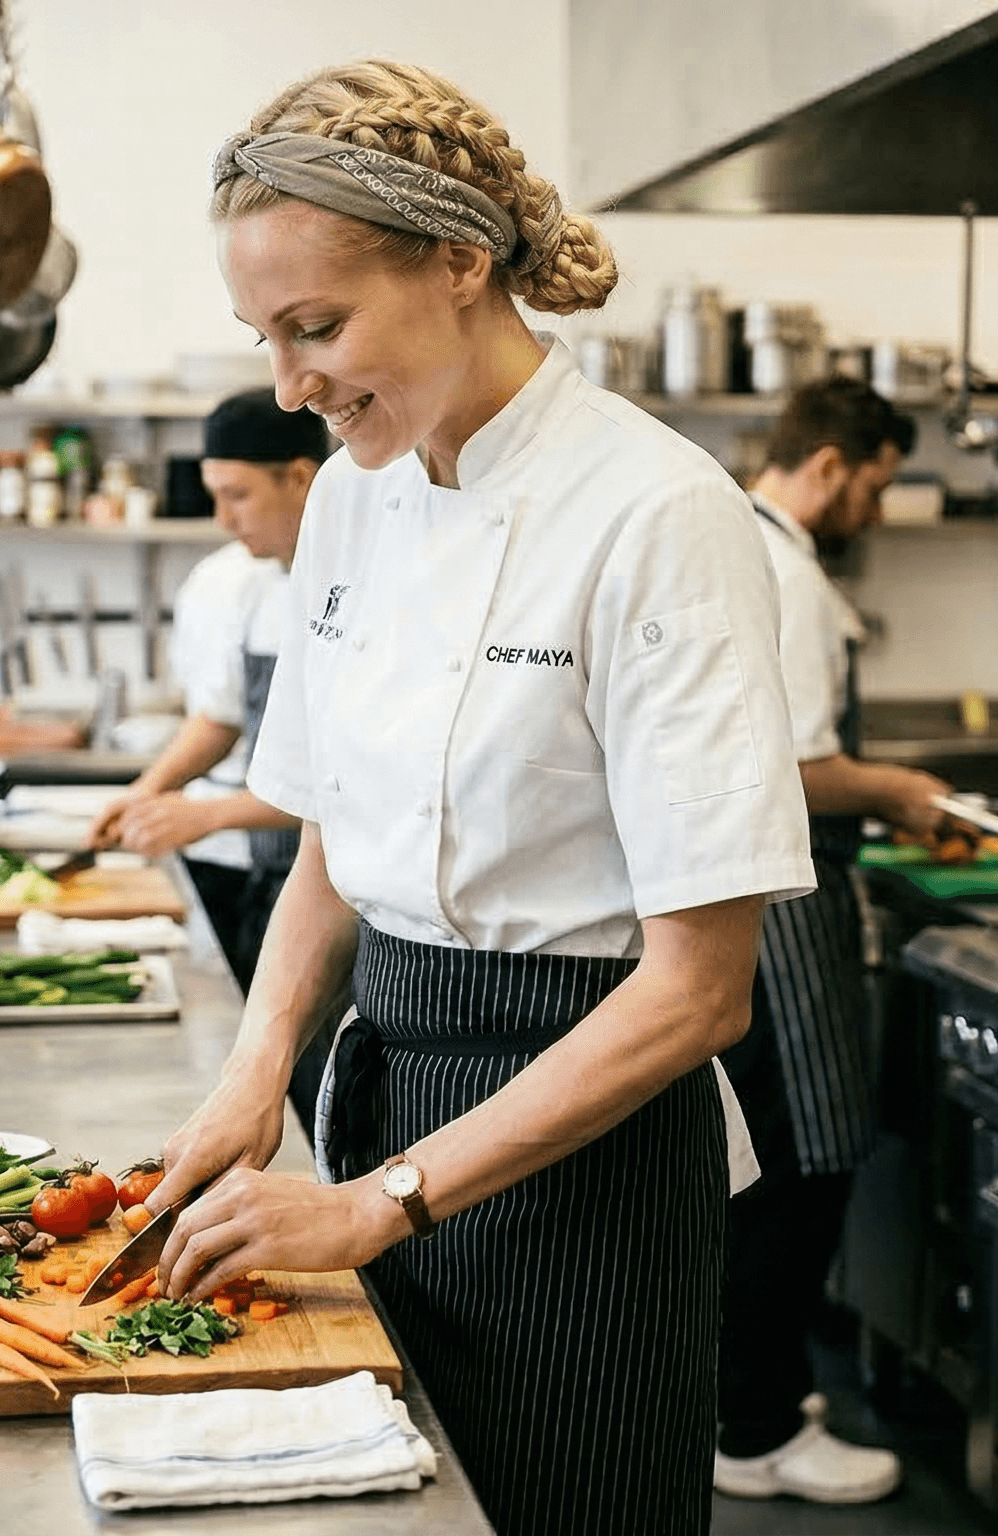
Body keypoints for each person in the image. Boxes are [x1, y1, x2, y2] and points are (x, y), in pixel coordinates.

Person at [143, 61, 815, 1536]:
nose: (289, 384)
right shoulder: (351, 502)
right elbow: (333, 835)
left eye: (318, 327)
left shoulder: (658, 514)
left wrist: (381, 1201)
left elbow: (701, 995)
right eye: (266, 338)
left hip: (586, 1144)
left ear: (460, 262)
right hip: (382, 1076)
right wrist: (256, 1077)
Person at [713, 378, 950, 1505]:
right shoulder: (792, 575)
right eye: (875, 484)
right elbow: (802, 771)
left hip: (745, 902)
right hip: (787, 909)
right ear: (828, 465)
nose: (873, 507)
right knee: (800, 1165)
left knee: (760, 1162)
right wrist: (901, 788)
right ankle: (754, 1428)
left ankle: (744, 1395)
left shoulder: (733, 538)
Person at [87, 389, 330, 1002]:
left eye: (237, 496)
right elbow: (220, 719)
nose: (222, 519)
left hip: (335, 893)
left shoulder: (363, 580)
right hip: (268, 874)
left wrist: (208, 814)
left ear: (300, 478)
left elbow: (344, 780)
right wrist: (147, 790)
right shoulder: (254, 580)